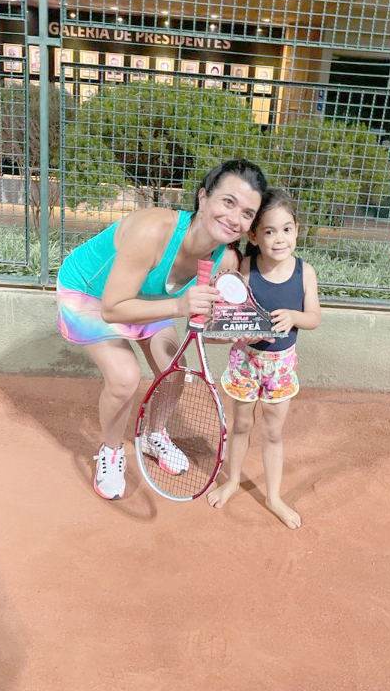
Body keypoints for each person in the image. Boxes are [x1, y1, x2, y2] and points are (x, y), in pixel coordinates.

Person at [57, 159, 268, 500]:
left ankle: (154, 435)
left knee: (174, 372)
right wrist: (179, 307)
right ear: (203, 197)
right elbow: (113, 308)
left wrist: (243, 334)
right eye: (228, 202)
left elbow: (205, 329)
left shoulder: (225, 260)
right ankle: (111, 451)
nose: (234, 218)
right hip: (92, 294)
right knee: (125, 377)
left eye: (247, 213)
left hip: (147, 298)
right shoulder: (153, 230)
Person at [207, 189, 321, 529]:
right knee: (241, 425)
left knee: (273, 432)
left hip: (281, 365)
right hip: (246, 360)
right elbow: (234, 314)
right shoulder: (245, 268)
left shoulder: (305, 272)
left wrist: (294, 317)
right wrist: (243, 332)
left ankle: (273, 497)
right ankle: (231, 481)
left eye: (287, 229)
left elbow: (313, 317)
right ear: (254, 236)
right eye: (269, 231)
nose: (279, 239)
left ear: (297, 230)